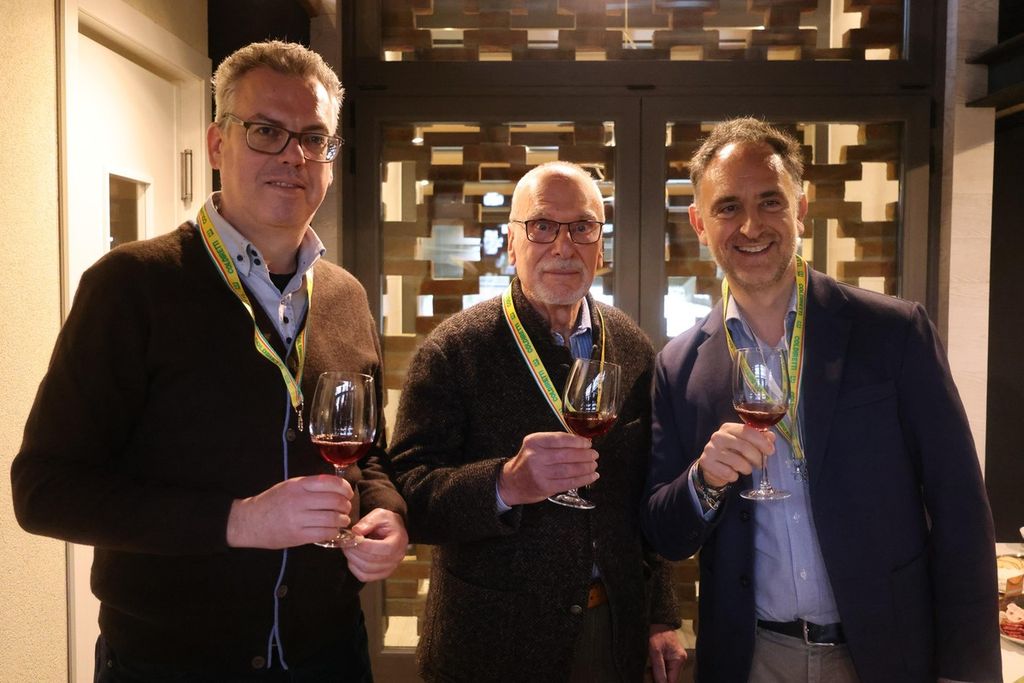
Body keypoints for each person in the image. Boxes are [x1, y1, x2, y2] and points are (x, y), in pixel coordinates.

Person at [11, 40, 408, 682]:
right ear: (218, 144)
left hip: (330, 652)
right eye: (266, 132)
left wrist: (387, 512)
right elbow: (44, 492)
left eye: (314, 138)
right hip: (170, 663)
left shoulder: (346, 296)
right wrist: (239, 521)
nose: (294, 156)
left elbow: (371, 455)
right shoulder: (131, 286)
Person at [642, 117, 1001, 683]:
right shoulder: (678, 365)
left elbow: (960, 507)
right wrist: (704, 480)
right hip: (751, 657)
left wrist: (967, 671)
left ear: (801, 208)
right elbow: (664, 533)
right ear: (700, 225)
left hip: (886, 651)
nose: (751, 225)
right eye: (728, 207)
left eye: (770, 201)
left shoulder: (893, 332)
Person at [388, 161, 686, 683]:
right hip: (492, 641)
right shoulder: (454, 350)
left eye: (582, 227)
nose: (564, 246)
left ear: (600, 244)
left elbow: (645, 491)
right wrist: (504, 484)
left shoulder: (632, 345)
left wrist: (660, 614)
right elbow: (409, 494)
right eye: (542, 226)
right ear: (512, 242)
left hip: (613, 631)